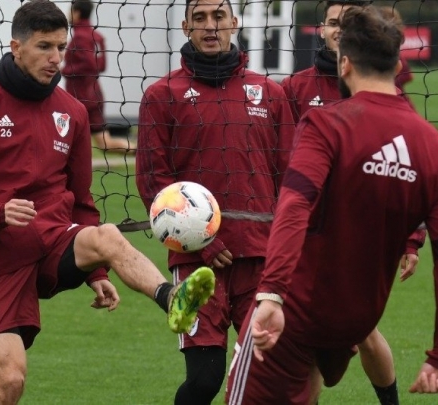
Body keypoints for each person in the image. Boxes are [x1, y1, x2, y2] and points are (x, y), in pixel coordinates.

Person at [0, 1, 215, 404]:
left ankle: (170, 298)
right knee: (9, 384)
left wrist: (96, 272)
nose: (56, 58)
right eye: (44, 47)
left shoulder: (72, 112)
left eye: (61, 47)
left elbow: (81, 202)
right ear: (16, 47)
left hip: (54, 242)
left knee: (106, 235)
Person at [226, 5, 438, 404]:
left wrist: (271, 294)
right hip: (356, 320)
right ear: (396, 63)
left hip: (296, 310)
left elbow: (293, 208)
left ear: (346, 64)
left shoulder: (326, 125)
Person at [135, 1, 295, 404]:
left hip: (261, 262)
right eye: (201, 18)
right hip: (195, 263)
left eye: (219, 17)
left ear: (234, 23)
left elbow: (291, 180)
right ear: (186, 25)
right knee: (205, 381)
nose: (211, 26)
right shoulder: (161, 95)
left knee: (267, 378)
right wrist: (205, 241)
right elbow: (154, 183)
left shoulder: (271, 94)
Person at [282, 2, 426, 403]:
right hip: (307, 234)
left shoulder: (386, 96)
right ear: (322, 31)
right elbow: (280, 163)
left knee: (362, 329)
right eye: (332, 24)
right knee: (306, 337)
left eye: (346, 25)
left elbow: (406, 165)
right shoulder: (295, 89)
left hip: (360, 233)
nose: (338, 32)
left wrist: (412, 239)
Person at [62, 0, 134, 154]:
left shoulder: (80, 38)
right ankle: (142, 151)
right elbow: (101, 65)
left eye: (70, 11)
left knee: (64, 140)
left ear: (77, 12)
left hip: (80, 98)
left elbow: (90, 65)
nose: (68, 14)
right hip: (94, 95)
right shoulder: (97, 36)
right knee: (104, 143)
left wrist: (65, 70)